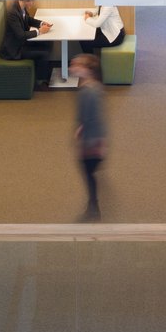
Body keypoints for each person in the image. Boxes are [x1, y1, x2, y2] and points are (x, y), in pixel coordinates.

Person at [69, 53, 107, 220]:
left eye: (77, 65)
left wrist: (82, 134)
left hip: (91, 141)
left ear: (87, 70)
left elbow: (91, 118)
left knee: (88, 173)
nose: (72, 68)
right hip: (93, 138)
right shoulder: (94, 87)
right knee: (89, 172)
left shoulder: (88, 92)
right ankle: (93, 204)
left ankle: (93, 207)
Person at [1, 0, 55, 87]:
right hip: (15, 50)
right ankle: (40, 82)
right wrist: (39, 31)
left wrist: (41, 23)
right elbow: (21, 35)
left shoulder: (20, 7)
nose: (33, 4)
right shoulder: (12, 13)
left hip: (21, 43)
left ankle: (43, 74)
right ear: (25, 0)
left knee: (47, 43)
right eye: (31, 1)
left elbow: (28, 19)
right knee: (44, 53)